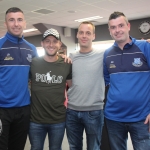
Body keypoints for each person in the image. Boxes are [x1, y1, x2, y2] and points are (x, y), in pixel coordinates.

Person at [103, 11, 150, 150]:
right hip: (113, 118)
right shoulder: (107, 54)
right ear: (109, 31)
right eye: (113, 27)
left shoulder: (145, 47)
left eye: (121, 25)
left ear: (128, 26)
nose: (117, 30)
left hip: (141, 118)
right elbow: (107, 81)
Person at [0, 7, 38, 150]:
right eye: (11, 20)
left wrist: (61, 58)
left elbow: (40, 71)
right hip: (2, 109)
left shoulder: (31, 49)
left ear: (25, 23)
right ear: (5, 23)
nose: (16, 24)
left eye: (19, 20)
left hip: (23, 109)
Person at [29, 28, 72, 150]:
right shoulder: (33, 63)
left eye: (54, 41)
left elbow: (73, 87)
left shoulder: (66, 64)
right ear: (42, 44)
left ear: (59, 44)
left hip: (58, 119)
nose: (51, 44)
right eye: (47, 41)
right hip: (36, 120)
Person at [66, 21, 105, 150]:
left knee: (94, 147)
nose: (84, 36)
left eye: (88, 33)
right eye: (81, 32)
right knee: (74, 147)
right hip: (71, 111)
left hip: (94, 111)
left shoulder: (103, 55)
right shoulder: (69, 58)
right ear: (77, 34)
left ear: (93, 36)